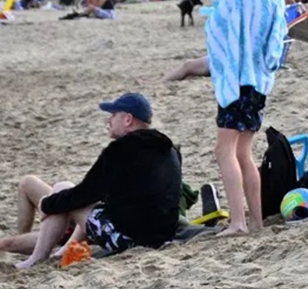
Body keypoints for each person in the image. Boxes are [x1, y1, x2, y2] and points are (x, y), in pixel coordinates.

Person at [0, 93, 181, 269]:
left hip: (130, 240)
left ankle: (37, 258)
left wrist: (47, 205)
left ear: (127, 119)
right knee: (65, 194)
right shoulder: (169, 149)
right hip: (162, 236)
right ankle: (59, 252)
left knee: (62, 191)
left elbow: (86, 193)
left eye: (113, 115)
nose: (108, 121)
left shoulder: (122, 149)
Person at [203, 0, 289, 236]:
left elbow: (220, 21)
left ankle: (238, 222)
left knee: (223, 151)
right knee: (244, 153)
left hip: (238, 79)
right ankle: (256, 222)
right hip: (259, 82)